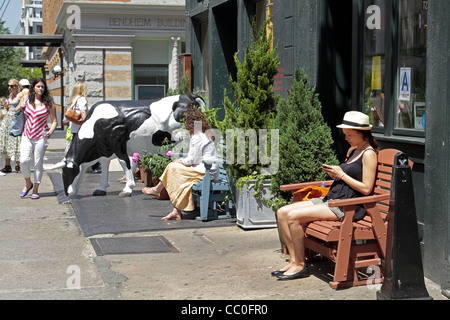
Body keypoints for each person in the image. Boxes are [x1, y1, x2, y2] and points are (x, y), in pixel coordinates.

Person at [274, 111, 379, 280]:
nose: (346, 139)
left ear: (363, 133)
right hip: (332, 199)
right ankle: (294, 261)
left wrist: (341, 174)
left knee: (293, 217)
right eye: (346, 135)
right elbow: (350, 176)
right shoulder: (354, 151)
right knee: (282, 212)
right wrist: (335, 174)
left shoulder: (369, 154)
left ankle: (301, 266)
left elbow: (367, 188)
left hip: (346, 206)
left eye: (350, 135)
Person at [142, 107, 218, 221]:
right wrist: (183, 161)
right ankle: (175, 210)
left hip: (206, 172)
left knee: (173, 167)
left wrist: (182, 161)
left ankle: (158, 190)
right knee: (174, 170)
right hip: (204, 168)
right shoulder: (202, 133)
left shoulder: (198, 136)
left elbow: (191, 159)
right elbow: (195, 157)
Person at [18, 78, 57, 199]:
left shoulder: (49, 102)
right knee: (24, 161)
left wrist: (50, 131)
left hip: (40, 136)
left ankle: (35, 189)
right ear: (33, 87)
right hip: (27, 135)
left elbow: (55, 121)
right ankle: (28, 183)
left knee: (37, 163)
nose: (41, 89)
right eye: (38, 86)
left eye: (42, 87)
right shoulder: (27, 99)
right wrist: (20, 106)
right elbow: (15, 110)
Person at [0, 79, 23, 174]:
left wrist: (16, 111)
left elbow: (22, 106)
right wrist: (6, 105)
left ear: (17, 87)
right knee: (6, 140)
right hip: (8, 119)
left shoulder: (20, 95)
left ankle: (18, 165)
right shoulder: (10, 95)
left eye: (12, 86)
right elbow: (9, 107)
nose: (10, 88)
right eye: (9, 86)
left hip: (16, 120)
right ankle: (7, 165)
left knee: (16, 140)